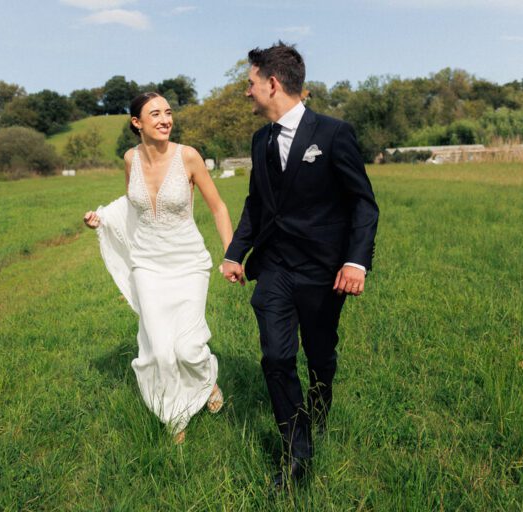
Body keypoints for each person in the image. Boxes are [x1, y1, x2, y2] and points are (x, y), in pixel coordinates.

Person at [221, 43, 379, 488]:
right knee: (275, 356)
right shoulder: (260, 140)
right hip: (274, 269)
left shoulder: (333, 134)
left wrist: (355, 262)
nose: (246, 93)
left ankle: (321, 396)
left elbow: (364, 205)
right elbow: (257, 203)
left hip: (323, 272)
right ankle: (296, 453)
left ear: (272, 84)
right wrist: (236, 251)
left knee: (321, 353)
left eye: (250, 84)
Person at [84, 92, 233, 444]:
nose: (166, 119)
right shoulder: (129, 159)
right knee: (160, 349)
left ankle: (207, 378)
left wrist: (232, 253)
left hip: (187, 263)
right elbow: (132, 205)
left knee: (189, 348)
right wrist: (102, 217)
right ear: (137, 122)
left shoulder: (189, 157)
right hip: (147, 265)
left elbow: (219, 208)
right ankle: (174, 416)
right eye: (156, 114)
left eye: (168, 112)